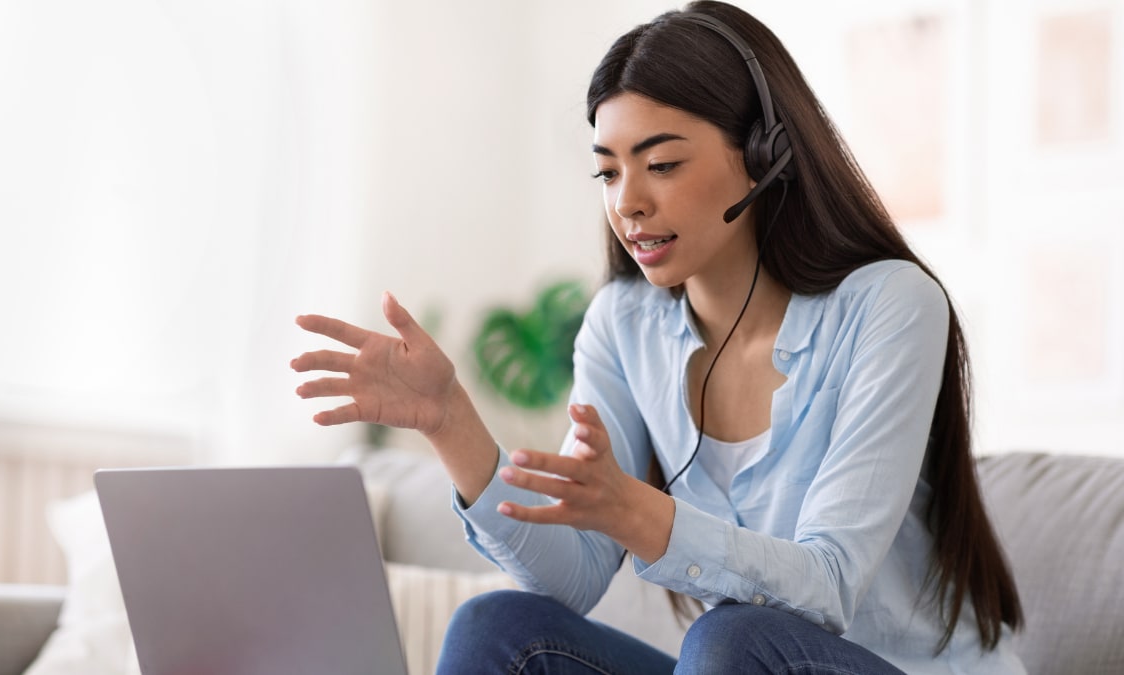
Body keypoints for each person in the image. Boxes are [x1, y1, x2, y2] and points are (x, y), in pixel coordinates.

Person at [291, 2, 1025, 672]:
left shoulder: (889, 305)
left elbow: (827, 584)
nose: (628, 203)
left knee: (729, 638)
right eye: (608, 173)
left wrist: (641, 512)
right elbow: (574, 580)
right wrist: (450, 419)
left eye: (663, 164)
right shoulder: (623, 324)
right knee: (498, 627)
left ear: (765, 155)